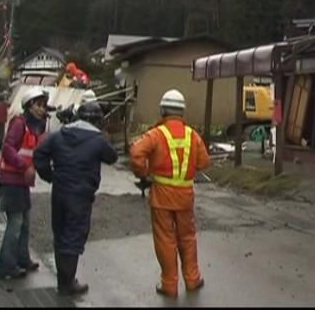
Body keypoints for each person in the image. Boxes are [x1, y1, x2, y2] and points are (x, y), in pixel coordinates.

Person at [130, 89, 210, 298]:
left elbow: (136, 152)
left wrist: (144, 172)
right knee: (187, 238)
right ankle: (192, 280)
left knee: (165, 240)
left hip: (162, 197)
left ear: (163, 110)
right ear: (182, 111)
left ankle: (169, 285)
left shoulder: (156, 134)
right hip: (185, 197)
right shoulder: (192, 135)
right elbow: (204, 162)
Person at [33, 102, 117, 296]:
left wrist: (50, 176)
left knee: (60, 233)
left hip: (59, 191)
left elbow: (39, 155)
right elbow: (112, 157)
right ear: (97, 120)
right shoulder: (98, 139)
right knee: (74, 235)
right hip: (81, 194)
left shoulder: (59, 135)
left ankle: (63, 279)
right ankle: (67, 284)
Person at [0, 87, 49, 280]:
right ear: (29, 106)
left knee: (25, 222)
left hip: (21, 182)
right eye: (39, 105)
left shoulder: (33, 127)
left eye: (43, 106)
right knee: (15, 223)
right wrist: (23, 167)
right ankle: (6, 267)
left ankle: (22, 259)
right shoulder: (20, 124)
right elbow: (7, 147)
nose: (42, 110)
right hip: (11, 180)